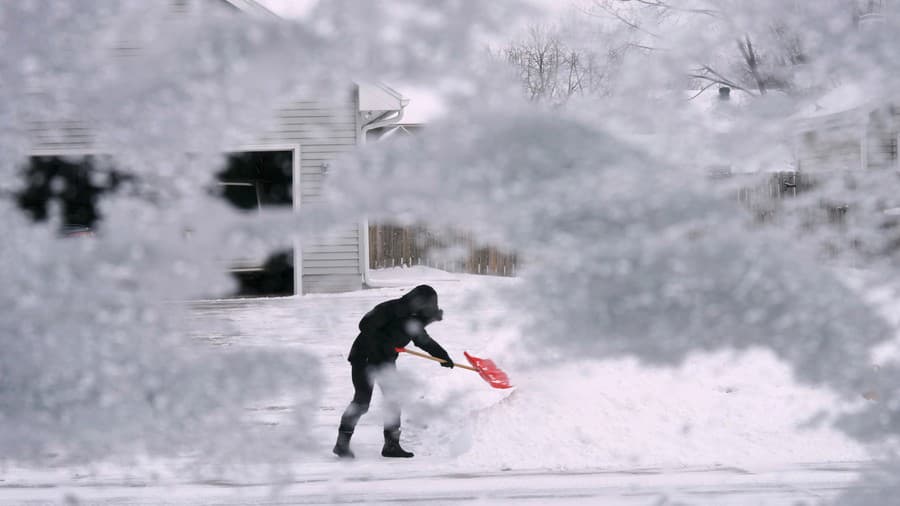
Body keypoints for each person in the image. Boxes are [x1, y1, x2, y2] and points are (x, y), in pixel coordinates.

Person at [333, 284, 454, 459]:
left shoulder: (414, 320)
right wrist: (383, 343)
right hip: (364, 357)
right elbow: (365, 324)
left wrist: (443, 356)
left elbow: (424, 341)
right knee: (361, 402)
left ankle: (391, 446)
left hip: (384, 361)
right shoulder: (390, 309)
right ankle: (341, 444)